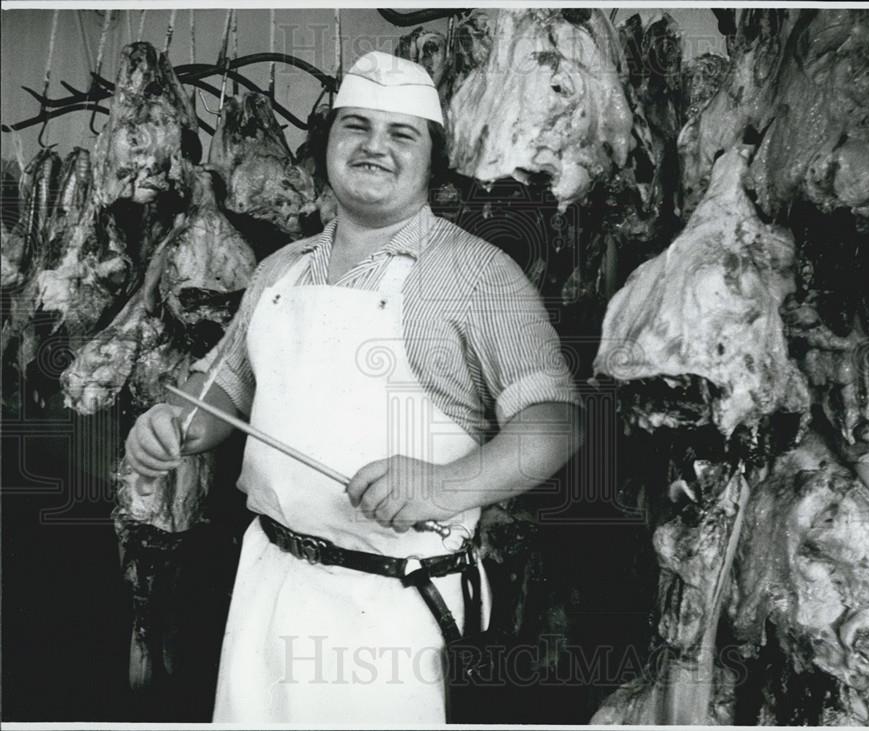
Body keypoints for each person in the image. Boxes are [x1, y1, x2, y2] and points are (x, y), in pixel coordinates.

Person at [124, 50, 584, 723]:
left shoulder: (478, 274)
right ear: (326, 147)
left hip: (387, 607)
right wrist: (177, 425)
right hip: (266, 578)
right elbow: (226, 383)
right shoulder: (280, 268)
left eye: (402, 134)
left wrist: (443, 486)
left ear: (433, 159)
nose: (374, 147)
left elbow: (557, 420)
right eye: (355, 127)